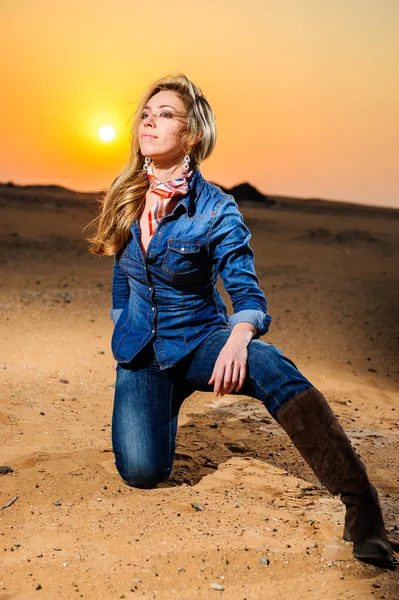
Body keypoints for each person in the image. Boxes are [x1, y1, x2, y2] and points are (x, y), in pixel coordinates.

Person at [87, 73, 396, 568]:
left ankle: (363, 508)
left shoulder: (217, 209)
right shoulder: (125, 194)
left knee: (269, 363)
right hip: (141, 356)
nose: (150, 119)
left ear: (191, 135)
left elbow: (246, 290)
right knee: (142, 472)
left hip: (200, 341)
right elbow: (124, 278)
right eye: (146, 112)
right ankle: (158, 404)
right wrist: (121, 322)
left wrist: (239, 338)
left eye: (166, 114)